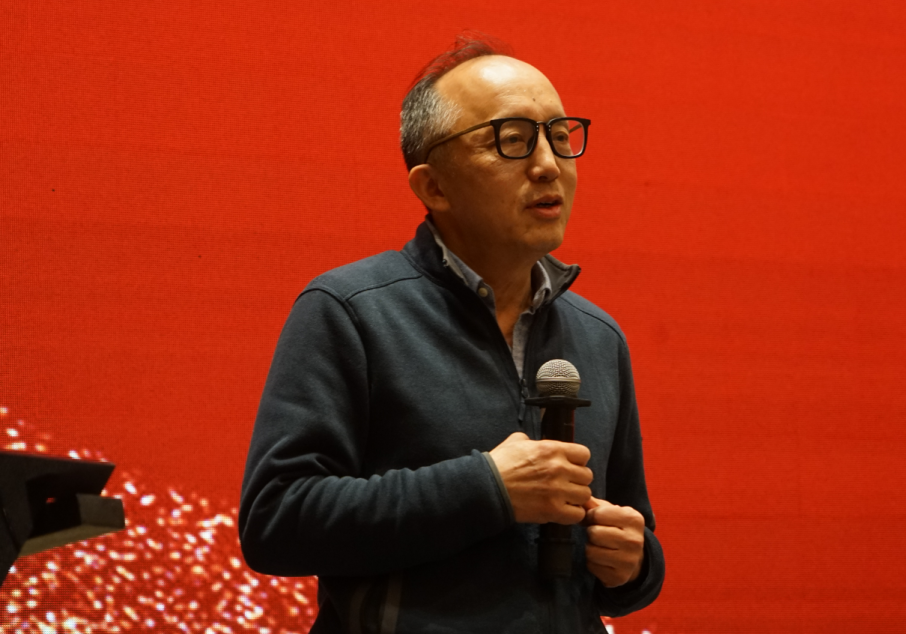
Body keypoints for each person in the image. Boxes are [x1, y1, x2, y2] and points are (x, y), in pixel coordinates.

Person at [239, 35, 664, 634]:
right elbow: (277, 520)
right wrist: (487, 488)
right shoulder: (350, 311)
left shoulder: (598, 336)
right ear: (433, 187)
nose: (548, 164)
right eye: (512, 140)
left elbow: (628, 532)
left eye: (560, 136)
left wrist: (636, 564)